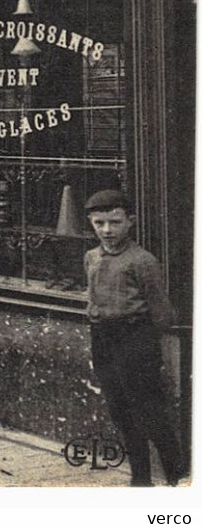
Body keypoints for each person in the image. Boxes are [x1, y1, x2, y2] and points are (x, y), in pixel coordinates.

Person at [83, 189, 186, 486]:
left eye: (114, 222)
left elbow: (162, 312)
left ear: (131, 222)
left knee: (149, 410)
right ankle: (140, 479)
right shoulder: (90, 258)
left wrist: (144, 344)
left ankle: (177, 476)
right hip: (102, 339)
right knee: (120, 410)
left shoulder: (142, 261)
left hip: (135, 337)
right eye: (99, 223)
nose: (106, 230)